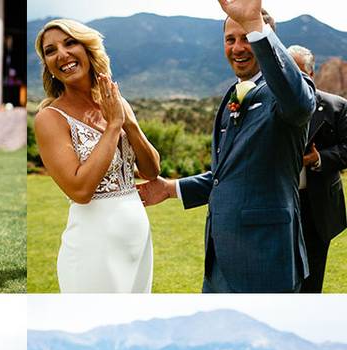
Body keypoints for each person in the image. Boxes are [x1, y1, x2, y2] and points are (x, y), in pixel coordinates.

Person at [137, 0, 315, 293]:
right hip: (219, 262)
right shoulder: (232, 95)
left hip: (266, 258)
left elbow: (299, 103)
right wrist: (171, 189)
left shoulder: (288, 92)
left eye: (246, 37)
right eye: (230, 39)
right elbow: (229, 175)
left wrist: (254, 24)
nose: (238, 47)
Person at [33, 19, 161, 293]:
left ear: (88, 49)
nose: (62, 55)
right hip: (94, 247)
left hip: (137, 241)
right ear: (49, 66)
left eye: (69, 43)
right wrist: (113, 126)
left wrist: (129, 123)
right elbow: (80, 190)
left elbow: (151, 171)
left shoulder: (117, 101)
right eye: (50, 50)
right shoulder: (50, 118)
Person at [288, 45, 347, 293]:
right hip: (280, 203)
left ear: (311, 76)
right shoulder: (273, 107)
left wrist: (317, 159)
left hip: (317, 207)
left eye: (300, 74)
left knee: (312, 280)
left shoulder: (337, 107)